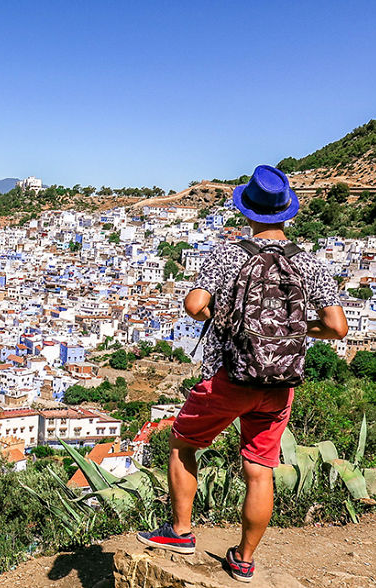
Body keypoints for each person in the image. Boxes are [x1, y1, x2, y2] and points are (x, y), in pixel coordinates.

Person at [137, 165, 348, 583]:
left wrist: (230, 320)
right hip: (279, 383)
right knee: (260, 469)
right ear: (286, 212)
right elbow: (338, 327)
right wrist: (295, 328)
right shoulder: (310, 263)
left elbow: (195, 305)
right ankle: (244, 559)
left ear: (246, 210)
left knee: (182, 444)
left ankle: (180, 532)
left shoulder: (229, 254)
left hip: (229, 376)